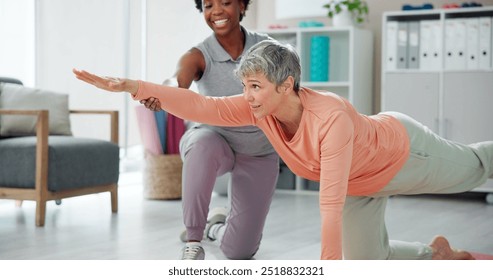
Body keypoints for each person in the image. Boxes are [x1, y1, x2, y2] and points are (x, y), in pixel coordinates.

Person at [73, 39, 493, 260]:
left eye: (254, 86)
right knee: (367, 262)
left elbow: (328, 207)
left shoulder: (331, 118)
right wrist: (133, 86)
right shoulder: (260, 108)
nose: (247, 95)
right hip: (358, 183)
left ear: (286, 84)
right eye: (244, 86)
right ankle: (435, 255)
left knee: (476, 167)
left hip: (401, 155)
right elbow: (204, 106)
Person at [139, 0, 279, 260]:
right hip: (215, 141)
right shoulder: (198, 55)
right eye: (207, 5)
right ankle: (194, 238)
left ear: (242, 5)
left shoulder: (266, 48)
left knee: (240, 252)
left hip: (258, 151)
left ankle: (215, 227)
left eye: (225, 2)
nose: (216, 11)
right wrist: (163, 91)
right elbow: (176, 80)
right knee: (202, 143)